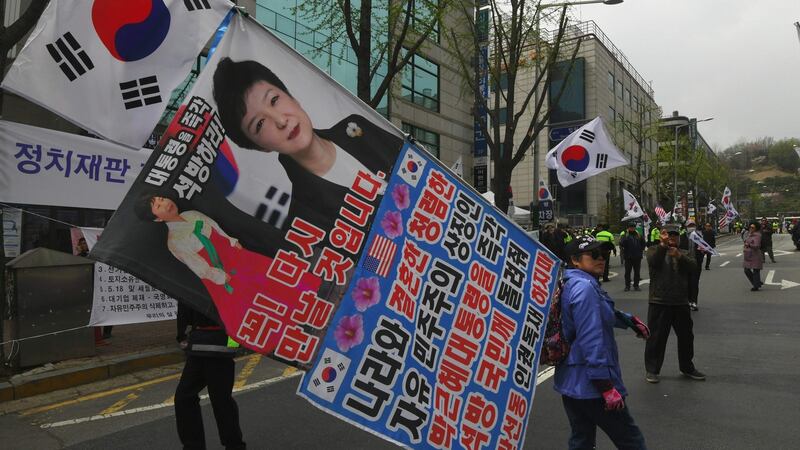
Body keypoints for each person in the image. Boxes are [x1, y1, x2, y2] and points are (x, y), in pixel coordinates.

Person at [213, 57, 402, 234]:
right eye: (260, 124)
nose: (280, 120)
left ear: (292, 97)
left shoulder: (355, 127)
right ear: (259, 146)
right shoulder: (304, 218)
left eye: (274, 100)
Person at [135, 192, 321, 353]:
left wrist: (232, 242)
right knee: (250, 302)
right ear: (157, 218)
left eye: (162, 199)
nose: (166, 203)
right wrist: (220, 277)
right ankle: (282, 334)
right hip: (222, 273)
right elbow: (198, 266)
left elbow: (216, 228)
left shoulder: (191, 214)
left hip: (237, 257)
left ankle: (312, 304)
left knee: (273, 278)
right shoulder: (174, 241)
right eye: (158, 205)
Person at [554, 235, 650, 450]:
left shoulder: (572, 283)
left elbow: (600, 312)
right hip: (592, 384)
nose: (601, 259)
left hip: (570, 381)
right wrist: (605, 386)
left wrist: (629, 321)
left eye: (604, 254)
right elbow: (591, 339)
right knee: (631, 441)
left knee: (582, 440)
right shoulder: (585, 288)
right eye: (594, 255)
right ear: (575, 260)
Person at [175, 302, 246, 450]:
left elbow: (184, 303)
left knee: (218, 400)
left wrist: (181, 335)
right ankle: (198, 446)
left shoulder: (197, 280)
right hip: (205, 344)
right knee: (190, 397)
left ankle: (233, 445)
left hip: (213, 344)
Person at [644, 223, 706, 383]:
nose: (672, 238)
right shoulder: (653, 250)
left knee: (686, 337)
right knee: (656, 338)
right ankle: (652, 370)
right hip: (659, 302)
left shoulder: (684, 253)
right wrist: (663, 246)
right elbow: (654, 262)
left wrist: (678, 256)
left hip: (680, 302)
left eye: (675, 235)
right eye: (668, 235)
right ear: (662, 236)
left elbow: (693, 267)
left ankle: (687, 367)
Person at [684, 221, 704, 311]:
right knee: (686, 283)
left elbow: (704, 249)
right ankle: (687, 301)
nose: (691, 227)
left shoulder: (699, 237)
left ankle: (694, 302)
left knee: (694, 283)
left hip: (696, 263)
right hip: (685, 264)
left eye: (692, 225)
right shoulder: (682, 237)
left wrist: (702, 251)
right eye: (689, 226)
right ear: (686, 227)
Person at [620, 224, 646, 292]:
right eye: (630, 227)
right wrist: (626, 237)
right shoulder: (625, 235)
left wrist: (640, 250)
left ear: (635, 228)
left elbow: (643, 243)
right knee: (627, 272)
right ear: (628, 228)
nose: (632, 228)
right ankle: (627, 286)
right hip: (628, 257)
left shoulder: (639, 235)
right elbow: (621, 243)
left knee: (637, 272)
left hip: (637, 256)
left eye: (633, 227)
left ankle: (636, 286)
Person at [743, 222, 764, 291]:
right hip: (748, 255)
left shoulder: (757, 235)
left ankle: (756, 286)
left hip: (755, 255)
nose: (751, 228)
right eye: (750, 227)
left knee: (756, 271)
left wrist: (749, 245)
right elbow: (744, 240)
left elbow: (757, 246)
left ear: (756, 228)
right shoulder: (749, 234)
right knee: (746, 270)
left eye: (752, 227)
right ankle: (757, 282)